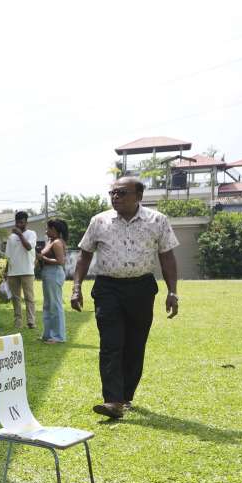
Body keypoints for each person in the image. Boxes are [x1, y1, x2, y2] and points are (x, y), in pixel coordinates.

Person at [71, 177, 179, 420]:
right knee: (111, 343)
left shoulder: (157, 221)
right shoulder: (99, 221)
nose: (115, 197)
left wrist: (172, 291)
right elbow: (84, 255)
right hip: (107, 287)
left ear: (138, 196)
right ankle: (113, 400)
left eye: (121, 193)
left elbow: (167, 257)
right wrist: (76, 287)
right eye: (112, 193)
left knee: (135, 344)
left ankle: (125, 395)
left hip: (141, 288)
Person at [4, 211, 37, 330]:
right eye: (17, 222)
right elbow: (8, 255)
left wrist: (20, 235)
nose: (19, 224)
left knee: (29, 298)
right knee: (15, 298)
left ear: (26, 222)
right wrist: (6, 271)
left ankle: (31, 322)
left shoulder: (31, 234)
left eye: (21, 222)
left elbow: (28, 247)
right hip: (13, 272)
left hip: (27, 271)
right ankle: (18, 322)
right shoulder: (10, 237)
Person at [39, 218, 68, 344]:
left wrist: (43, 257)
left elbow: (61, 261)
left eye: (48, 229)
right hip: (48, 273)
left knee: (55, 305)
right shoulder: (50, 241)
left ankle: (58, 337)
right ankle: (47, 334)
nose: (46, 231)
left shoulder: (57, 243)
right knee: (47, 305)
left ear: (55, 230)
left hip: (54, 273)